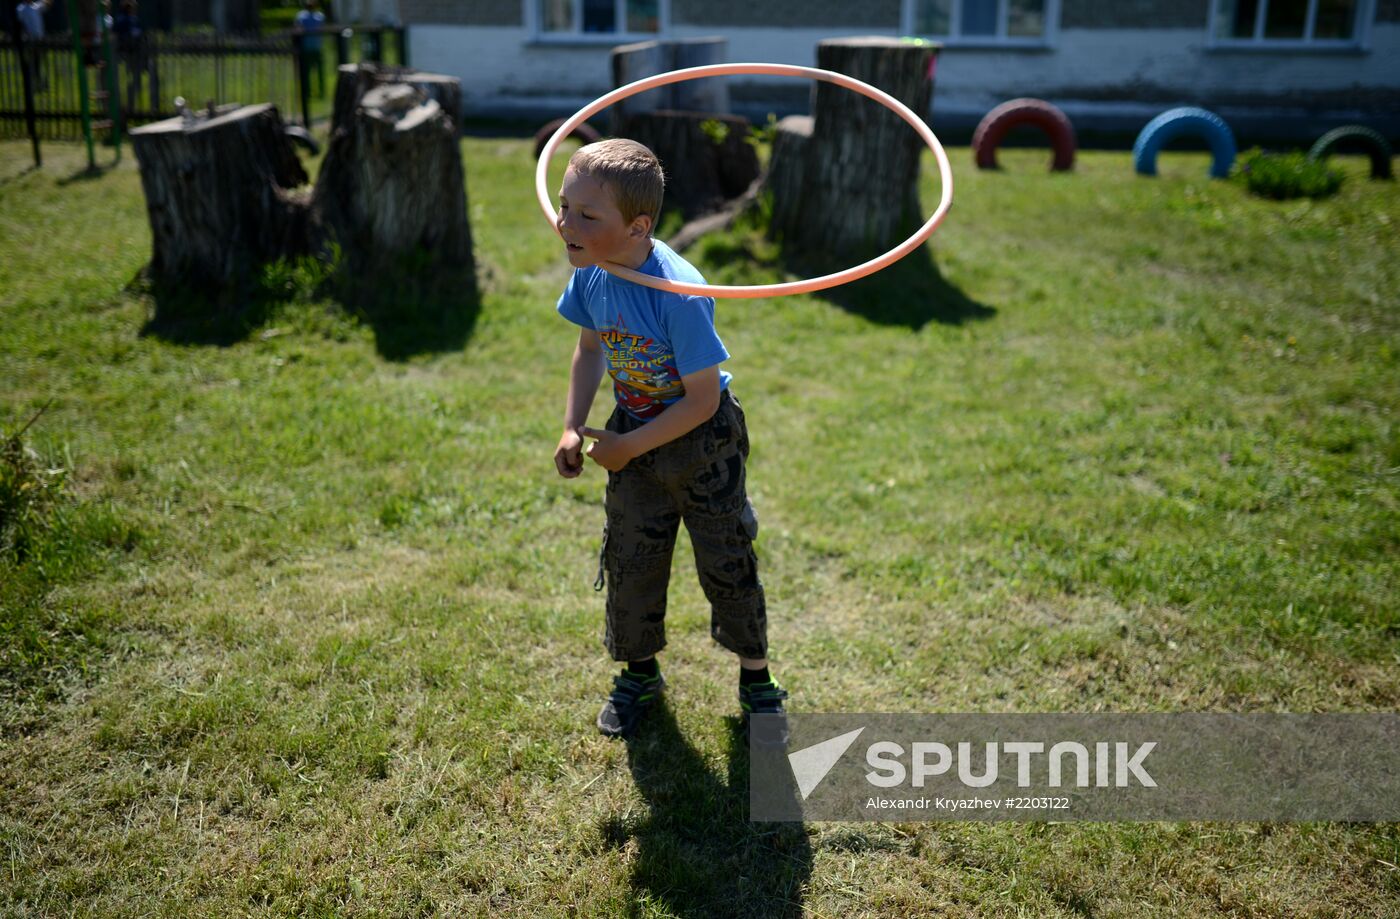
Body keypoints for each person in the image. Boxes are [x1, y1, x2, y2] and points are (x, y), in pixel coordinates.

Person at [552, 138, 788, 742]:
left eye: (585, 215)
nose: (564, 224)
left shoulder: (679, 294)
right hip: (633, 428)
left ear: (639, 226)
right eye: (563, 206)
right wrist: (573, 424)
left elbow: (703, 400)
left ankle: (758, 683)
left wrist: (630, 448)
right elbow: (588, 352)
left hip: (703, 443)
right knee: (630, 558)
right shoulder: (592, 275)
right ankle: (639, 675)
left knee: (727, 558)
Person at [293, 0, 326, 98]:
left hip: (306, 48)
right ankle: (320, 91)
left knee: (306, 72)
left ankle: (306, 92)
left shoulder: (301, 16)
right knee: (319, 72)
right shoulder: (320, 17)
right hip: (316, 47)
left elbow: (297, 28)